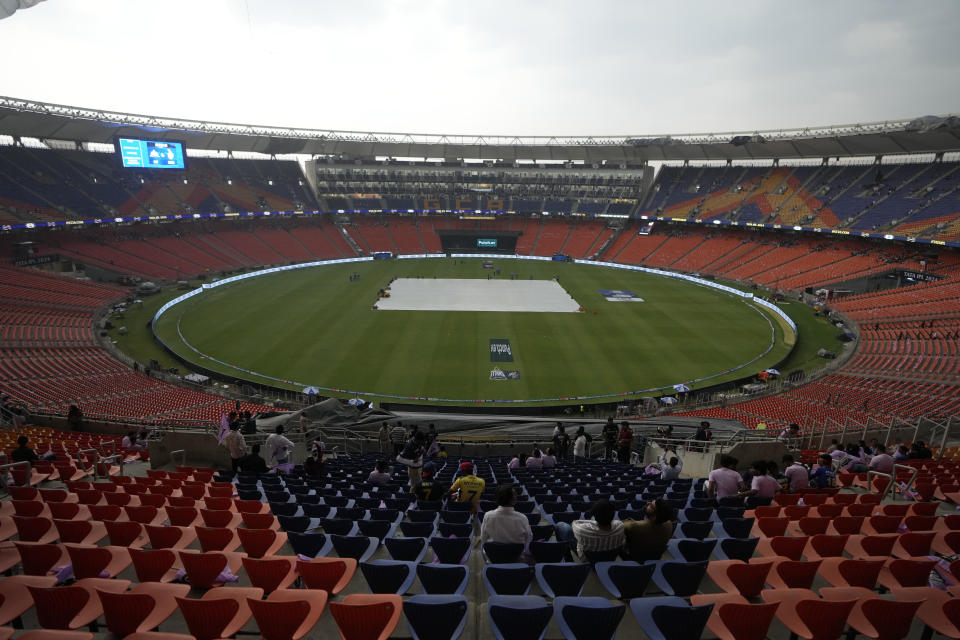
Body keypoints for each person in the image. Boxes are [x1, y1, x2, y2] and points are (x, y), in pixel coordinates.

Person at [554, 499, 625, 562]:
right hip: (609, 558)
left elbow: (575, 522)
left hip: (587, 559)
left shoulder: (582, 530)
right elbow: (614, 522)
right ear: (613, 515)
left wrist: (592, 521)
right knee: (593, 519)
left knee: (560, 525)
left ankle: (568, 558)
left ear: (596, 516)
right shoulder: (620, 526)